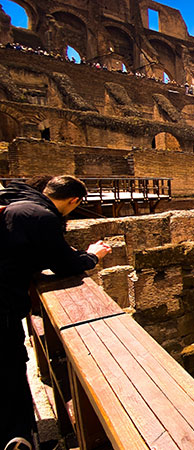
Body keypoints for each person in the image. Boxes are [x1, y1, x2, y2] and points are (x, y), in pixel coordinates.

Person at [0, 176, 111, 450]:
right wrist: (93, 255)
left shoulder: (15, 204)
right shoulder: (41, 216)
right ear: (74, 201)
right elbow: (65, 265)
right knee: (11, 369)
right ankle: (19, 437)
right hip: (3, 305)